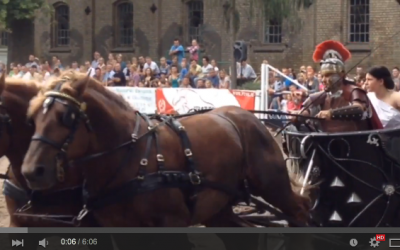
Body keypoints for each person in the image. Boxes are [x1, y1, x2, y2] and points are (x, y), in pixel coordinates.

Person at [294, 40, 382, 132]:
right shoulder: (321, 96)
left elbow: (358, 109)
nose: (323, 80)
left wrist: (331, 113)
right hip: (327, 142)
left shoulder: (354, 91)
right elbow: (308, 111)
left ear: (342, 74)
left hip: (354, 142)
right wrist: (298, 115)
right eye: (323, 76)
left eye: (328, 75)